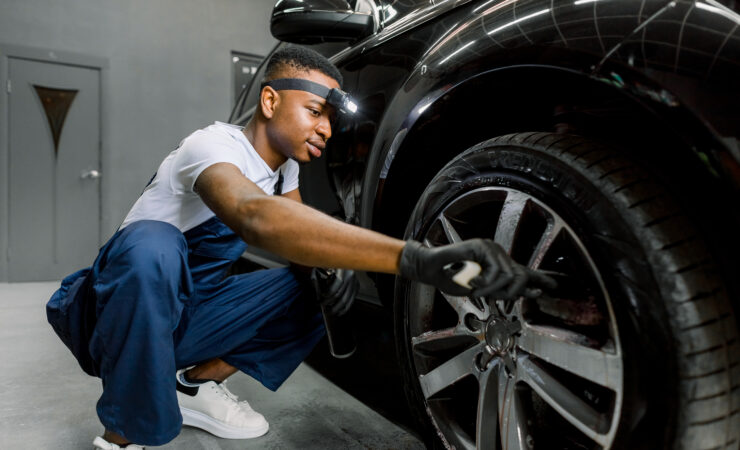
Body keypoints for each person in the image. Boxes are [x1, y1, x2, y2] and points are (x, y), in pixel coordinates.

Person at [46, 46, 554, 449]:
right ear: (270, 101)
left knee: (326, 272)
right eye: (315, 111)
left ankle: (192, 383)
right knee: (152, 245)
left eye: (330, 119)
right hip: (112, 314)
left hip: (185, 315)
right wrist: (416, 259)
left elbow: (302, 239)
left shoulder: (285, 168)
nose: (327, 130)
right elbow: (254, 215)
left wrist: (341, 269)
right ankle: (123, 435)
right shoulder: (212, 146)